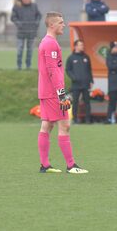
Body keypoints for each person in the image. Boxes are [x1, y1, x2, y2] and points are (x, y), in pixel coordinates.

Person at [37, 11, 88, 174]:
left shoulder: (45, 42)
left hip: (45, 91)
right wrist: (61, 94)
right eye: (60, 22)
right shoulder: (50, 43)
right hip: (53, 93)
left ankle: (45, 165)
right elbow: (53, 71)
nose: (63, 25)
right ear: (51, 25)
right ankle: (71, 166)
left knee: (47, 125)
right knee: (64, 125)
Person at [10, 0, 41, 70]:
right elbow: (13, 17)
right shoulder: (17, 6)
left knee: (30, 50)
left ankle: (28, 66)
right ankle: (19, 66)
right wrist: (18, 23)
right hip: (21, 32)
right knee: (20, 50)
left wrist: (36, 23)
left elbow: (39, 15)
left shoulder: (34, 6)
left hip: (31, 32)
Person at [65, 39, 94, 124]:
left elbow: (89, 70)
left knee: (87, 102)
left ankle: (88, 119)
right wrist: (73, 77)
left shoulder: (86, 57)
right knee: (76, 102)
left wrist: (91, 80)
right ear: (76, 46)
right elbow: (68, 70)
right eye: (80, 45)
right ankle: (75, 119)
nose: (82, 46)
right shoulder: (71, 58)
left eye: (82, 45)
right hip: (76, 84)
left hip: (85, 83)